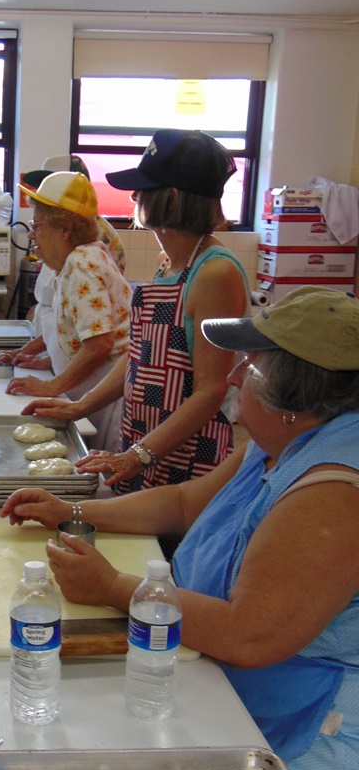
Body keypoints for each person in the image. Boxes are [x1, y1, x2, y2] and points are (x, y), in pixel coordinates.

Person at [0, 286, 359, 770]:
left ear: (297, 396)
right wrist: (72, 511)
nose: (234, 377)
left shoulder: (335, 491)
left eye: (252, 367)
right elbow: (186, 503)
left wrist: (115, 587)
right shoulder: (281, 442)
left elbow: (249, 634)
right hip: (216, 677)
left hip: (312, 755)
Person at [20, 129, 249, 507]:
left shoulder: (214, 273)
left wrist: (138, 455)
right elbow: (138, 354)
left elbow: (211, 390)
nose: (133, 199)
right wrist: (81, 406)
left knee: (165, 539)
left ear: (170, 199)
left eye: (142, 190)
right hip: (143, 435)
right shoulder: (168, 264)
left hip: (185, 454)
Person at [0, 170, 132, 452]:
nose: (32, 234)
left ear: (64, 229)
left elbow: (100, 344)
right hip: (90, 383)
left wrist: (51, 387)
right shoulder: (75, 259)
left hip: (106, 391)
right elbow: (73, 327)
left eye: (38, 225)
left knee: (99, 462)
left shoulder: (82, 265)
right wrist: (41, 357)